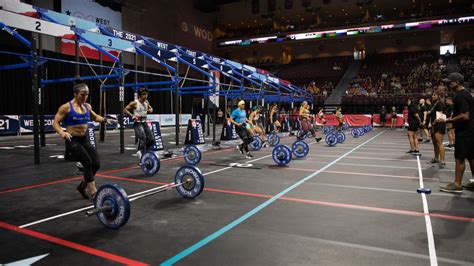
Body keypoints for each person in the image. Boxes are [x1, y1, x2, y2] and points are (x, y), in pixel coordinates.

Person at [53, 82, 114, 199]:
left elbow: (95, 117)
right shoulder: (66, 107)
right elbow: (55, 122)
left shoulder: (87, 106)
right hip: (72, 139)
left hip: (84, 138)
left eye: (87, 95)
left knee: (96, 164)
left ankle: (82, 186)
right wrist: (62, 132)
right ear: (75, 94)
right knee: (87, 162)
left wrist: (105, 120)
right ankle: (94, 193)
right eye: (82, 95)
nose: (85, 97)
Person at [440, 73, 474, 193]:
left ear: (457, 82)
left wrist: (448, 120)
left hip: (464, 132)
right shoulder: (466, 94)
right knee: (471, 157)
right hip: (470, 131)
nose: (448, 84)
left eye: (450, 82)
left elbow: (465, 116)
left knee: (459, 158)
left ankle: (457, 184)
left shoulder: (460, 96)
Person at [123, 88, 154, 159]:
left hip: (144, 123)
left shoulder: (147, 102)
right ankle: (142, 155)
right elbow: (125, 109)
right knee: (143, 138)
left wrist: (151, 109)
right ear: (139, 95)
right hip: (138, 124)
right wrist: (132, 115)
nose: (145, 96)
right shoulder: (135, 103)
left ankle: (142, 151)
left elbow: (150, 108)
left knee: (151, 139)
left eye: (146, 94)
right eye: (143, 94)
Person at [427, 91, 446, 168]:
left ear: (438, 96)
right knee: (435, 143)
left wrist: (432, 124)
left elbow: (440, 116)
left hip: (439, 125)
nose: (432, 96)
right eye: (432, 94)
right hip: (434, 125)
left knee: (439, 143)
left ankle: (442, 161)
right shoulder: (434, 104)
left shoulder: (440, 103)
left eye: (434, 95)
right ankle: (436, 158)